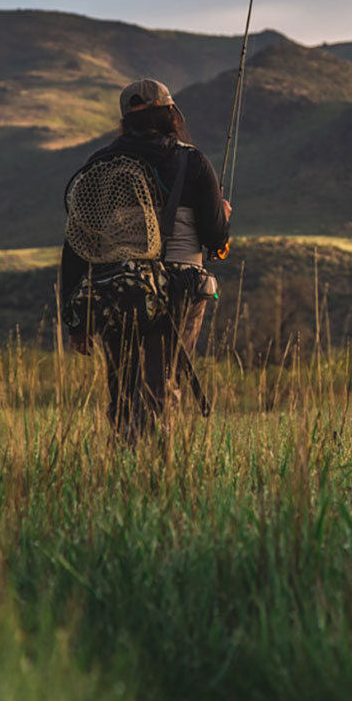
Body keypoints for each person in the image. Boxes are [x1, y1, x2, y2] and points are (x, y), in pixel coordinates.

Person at [60, 78, 230, 436]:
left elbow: (77, 242)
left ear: (126, 121)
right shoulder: (193, 160)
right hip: (180, 287)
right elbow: (215, 238)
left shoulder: (99, 165)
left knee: (121, 389)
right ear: (170, 115)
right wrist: (224, 215)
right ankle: (155, 476)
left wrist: (75, 322)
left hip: (115, 287)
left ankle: (123, 470)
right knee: (160, 388)